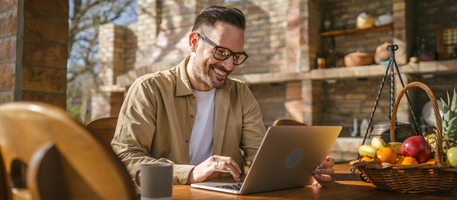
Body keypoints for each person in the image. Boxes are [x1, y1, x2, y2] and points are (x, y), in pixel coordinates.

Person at [111, 5, 334, 186]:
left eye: (236, 56)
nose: (229, 65)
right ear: (194, 43)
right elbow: (126, 157)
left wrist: (304, 172)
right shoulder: (149, 89)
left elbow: (260, 157)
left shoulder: (241, 93)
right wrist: (190, 173)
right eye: (221, 52)